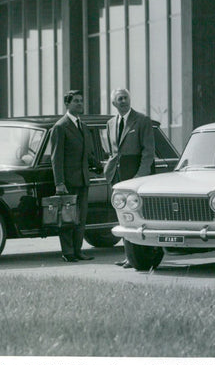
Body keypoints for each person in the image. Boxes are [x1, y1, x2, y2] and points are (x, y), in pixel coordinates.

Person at [104, 88, 155, 268]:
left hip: (136, 176)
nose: (124, 101)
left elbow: (148, 152)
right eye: (120, 99)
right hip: (118, 177)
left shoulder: (142, 120)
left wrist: (140, 176)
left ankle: (136, 258)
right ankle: (129, 257)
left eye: (126, 98)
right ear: (114, 103)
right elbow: (112, 152)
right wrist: (108, 170)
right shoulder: (110, 123)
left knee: (137, 218)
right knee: (123, 218)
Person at [50, 90, 102, 263]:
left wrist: (101, 166)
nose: (80, 104)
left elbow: (88, 154)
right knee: (67, 218)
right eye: (76, 101)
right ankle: (68, 252)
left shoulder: (84, 126)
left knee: (81, 218)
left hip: (83, 180)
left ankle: (78, 250)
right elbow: (56, 158)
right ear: (67, 104)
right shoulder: (60, 127)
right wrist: (59, 183)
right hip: (67, 182)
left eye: (81, 101)